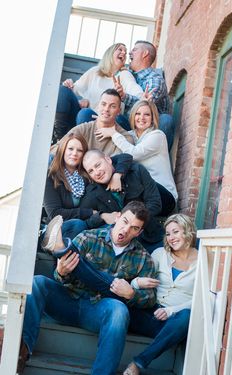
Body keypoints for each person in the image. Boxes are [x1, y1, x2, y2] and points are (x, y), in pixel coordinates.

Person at [17, 202, 157, 375]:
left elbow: (150, 298)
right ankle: (21, 353)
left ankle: (61, 248)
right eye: (125, 221)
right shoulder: (88, 237)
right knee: (37, 283)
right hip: (68, 301)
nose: (126, 230)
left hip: (97, 311)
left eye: (134, 228)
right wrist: (61, 272)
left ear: (139, 232)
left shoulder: (143, 258)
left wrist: (132, 293)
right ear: (118, 216)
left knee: (119, 310)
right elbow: (59, 278)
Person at [123, 213, 198, 375]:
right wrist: (137, 283)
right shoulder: (159, 254)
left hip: (173, 321)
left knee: (185, 317)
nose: (171, 237)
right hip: (148, 312)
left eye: (176, 232)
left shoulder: (204, 260)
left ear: (187, 231)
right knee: (120, 307)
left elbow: (205, 298)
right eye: (168, 233)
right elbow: (136, 280)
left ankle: (139, 362)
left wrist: (171, 311)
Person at [43, 131, 133, 240]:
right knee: (79, 225)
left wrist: (117, 175)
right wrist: (94, 213)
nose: (75, 153)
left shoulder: (88, 171)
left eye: (79, 150)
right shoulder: (51, 177)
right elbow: (55, 214)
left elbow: (124, 157)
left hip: (91, 222)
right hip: (64, 228)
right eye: (70, 149)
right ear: (63, 149)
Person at [95, 99, 178, 215]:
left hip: (164, 196)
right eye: (138, 113)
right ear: (133, 116)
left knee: (133, 171)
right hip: (141, 193)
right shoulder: (130, 136)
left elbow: (132, 154)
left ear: (153, 118)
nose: (141, 118)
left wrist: (113, 133)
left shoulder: (158, 136)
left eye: (147, 114)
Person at [53, 43, 143, 141]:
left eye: (125, 52)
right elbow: (75, 89)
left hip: (104, 122)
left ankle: (81, 146)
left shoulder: (125, 75)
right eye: (120, 49)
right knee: (63, 90)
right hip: (80, 118)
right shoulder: (95, 71)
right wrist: (69, 84)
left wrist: (124, 95)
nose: (124, 53)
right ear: (110, 53)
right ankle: (59, 137)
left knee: (85, 113)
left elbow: (138, 95)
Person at [80, 149, 164, 252]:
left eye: (98, 165)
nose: (97, 173)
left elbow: (155, 203)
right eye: (91, 171)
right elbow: (84, 222)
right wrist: (101, 216)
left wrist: (135, 221)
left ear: (108, 159)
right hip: (120, 248)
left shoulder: (136, 171)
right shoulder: (93, 193)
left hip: (150, 236)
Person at [114, 40, 174, 151]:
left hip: (150, 129)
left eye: (134, 50)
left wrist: (124, 96)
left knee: (166, 119)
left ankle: (159, 159)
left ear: (145, 53)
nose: (129, 53)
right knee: (115, 117)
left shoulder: (155, 79)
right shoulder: (126, 75)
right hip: (130, 125)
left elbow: (144, 104)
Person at [52, 89, 134, 157]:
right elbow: (55, 149)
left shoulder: (125, 138)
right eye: (103, 104)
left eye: (112, 106)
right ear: (98, 106)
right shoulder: (83, 129)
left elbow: (117, 165)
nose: (106, 109)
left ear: (118, 111)